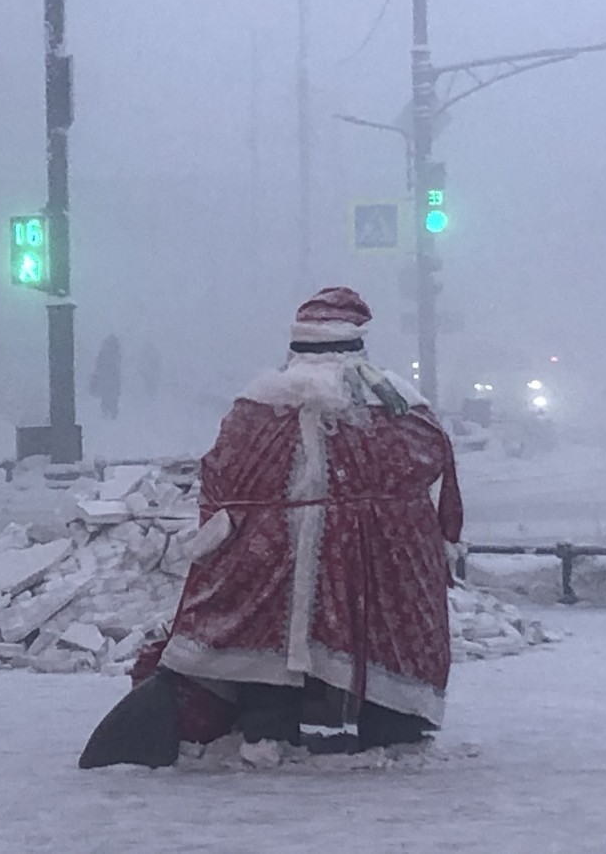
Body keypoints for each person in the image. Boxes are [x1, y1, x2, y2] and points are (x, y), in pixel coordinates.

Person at [80, 287, 464, 768]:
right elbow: (427, 460)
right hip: (371, 557)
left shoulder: (256, 407)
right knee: (376, 642)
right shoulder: (393, 408)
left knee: (265, 641)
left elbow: (218, 475)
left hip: (264, 555)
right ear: (357, 345)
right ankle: (389, 727)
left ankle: (268, 730)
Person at [89, 335, 122, 420]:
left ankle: (106, 412)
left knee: (106, 395)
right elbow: (119, 366)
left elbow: (98, 365)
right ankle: (112, 412)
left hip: (105, 378)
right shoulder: (116, 353)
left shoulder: (103, 353)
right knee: (112, 396)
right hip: (113, 378)